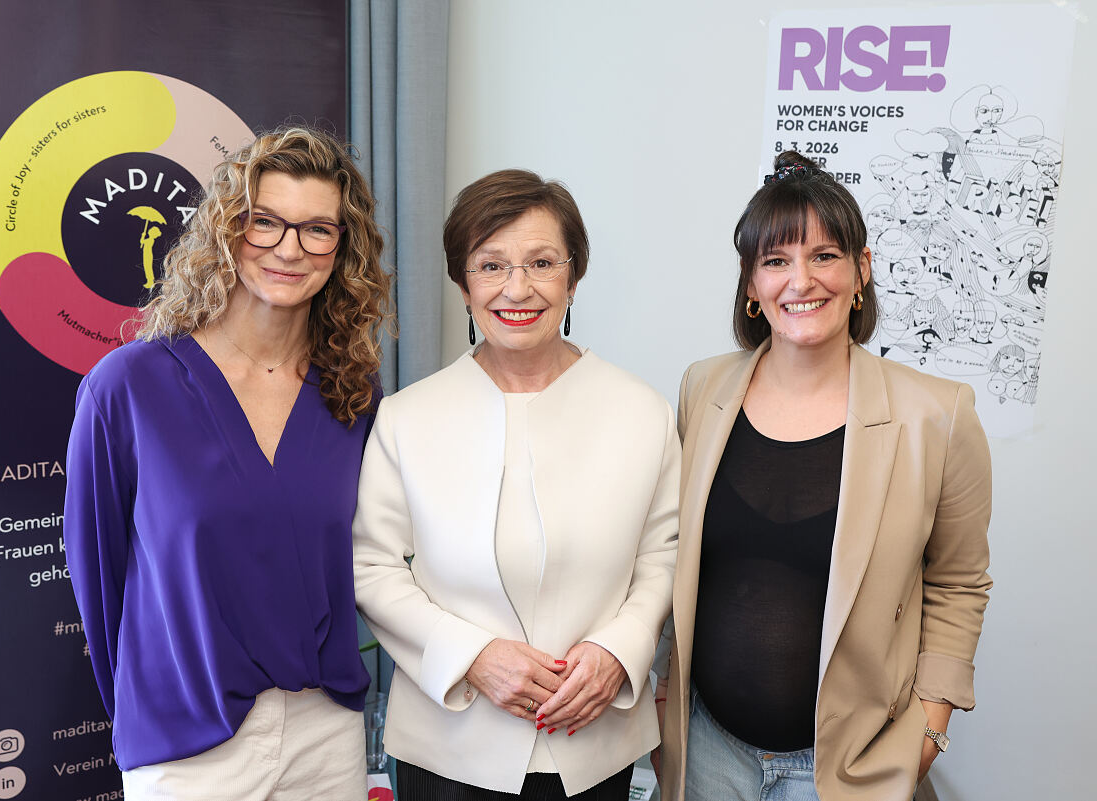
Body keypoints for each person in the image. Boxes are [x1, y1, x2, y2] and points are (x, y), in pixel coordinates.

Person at [63, 126, 390, 800]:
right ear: (226, 229)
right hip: (187, 743)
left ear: (343, 249)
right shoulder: (127, 387)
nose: (289, 249)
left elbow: (369, 556)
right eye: (264, 221)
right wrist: (145, 715)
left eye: (317, 230)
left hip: (325, 736)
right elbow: (99, 577)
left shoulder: (353, 394)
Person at [658, 152, 993, 801]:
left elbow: (958, 581)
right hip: (707, 754)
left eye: (825, 256)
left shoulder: (937, 414)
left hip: (847, 769)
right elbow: (677, 555)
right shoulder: (702, 388)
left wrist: (932, 724)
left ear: (861, 269)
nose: (800, 280)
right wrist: (664, 691)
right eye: (776, 260)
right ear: (751, 283)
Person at [352, 169, 680, 800]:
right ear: (463, 284)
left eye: (542, 263)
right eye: (491, 265)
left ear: (574, 278)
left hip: (594, 741)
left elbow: (663, 555)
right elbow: (372, 566)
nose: (517, 288)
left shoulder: (642, 411)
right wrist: (471, 656)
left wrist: (619, 651)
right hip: (447, 747)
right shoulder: (408, 417)